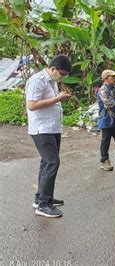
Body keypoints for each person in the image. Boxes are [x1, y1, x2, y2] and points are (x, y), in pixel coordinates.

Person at [26, 55, 72, 218]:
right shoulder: (37, 80)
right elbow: (32, 105)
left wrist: (58, 99)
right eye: (62, 73)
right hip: (42, 129)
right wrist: (57, 98)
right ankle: (44, 205)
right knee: (52, 162)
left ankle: (42, 198)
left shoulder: (52, 81)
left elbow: (49, 102)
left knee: (47, 162)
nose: (63, 77)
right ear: (53, 69)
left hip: (52, 128)